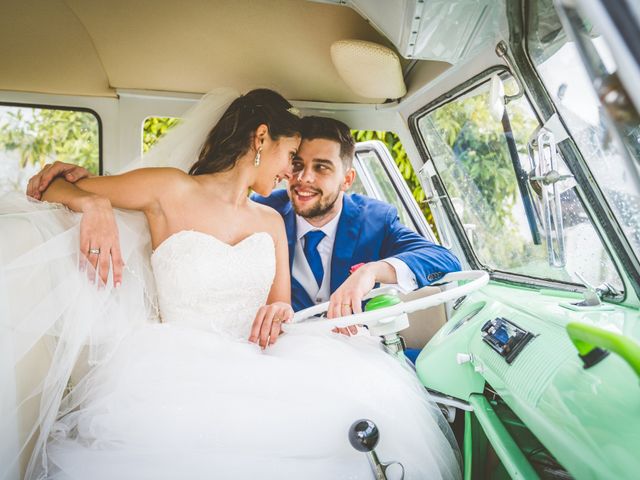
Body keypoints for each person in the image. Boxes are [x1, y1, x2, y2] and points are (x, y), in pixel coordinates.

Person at [7, 88, 461, 479]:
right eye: (291, 158)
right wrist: (95, 208)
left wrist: (280, 312)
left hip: (262, 359)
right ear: (262, 139)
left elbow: (281, 305)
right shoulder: (169, 189)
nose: (293, 174)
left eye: (313, 166)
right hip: (174, 367)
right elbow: (53, 188)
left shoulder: (270, 220)